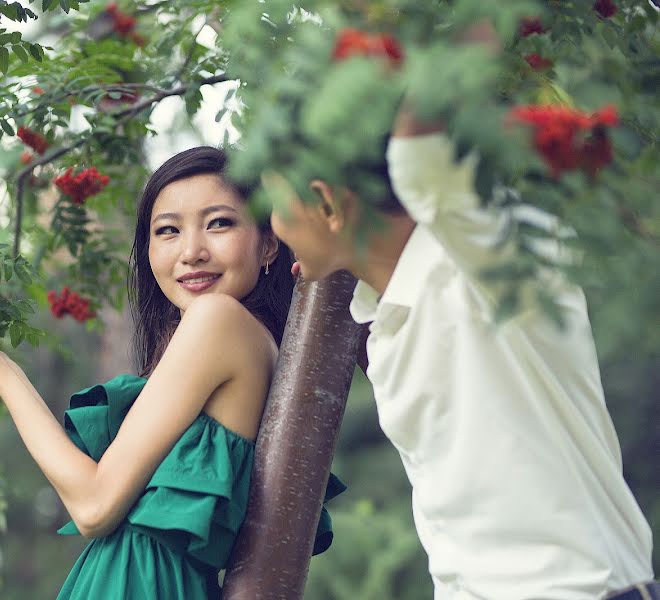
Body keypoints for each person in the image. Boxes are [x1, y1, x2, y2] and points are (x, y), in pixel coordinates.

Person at [0, 146, 341, 599]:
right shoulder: (248, 340)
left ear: (268, 241)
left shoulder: (219, 321)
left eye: (219, 223)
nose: (191, 252)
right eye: (168, 230)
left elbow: (93, 505)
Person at [266, 99, 656, 598]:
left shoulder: (483, 265)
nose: (272, 225)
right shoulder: (385, 319)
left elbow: (421, 155)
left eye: (274, 203)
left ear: (327, 204)